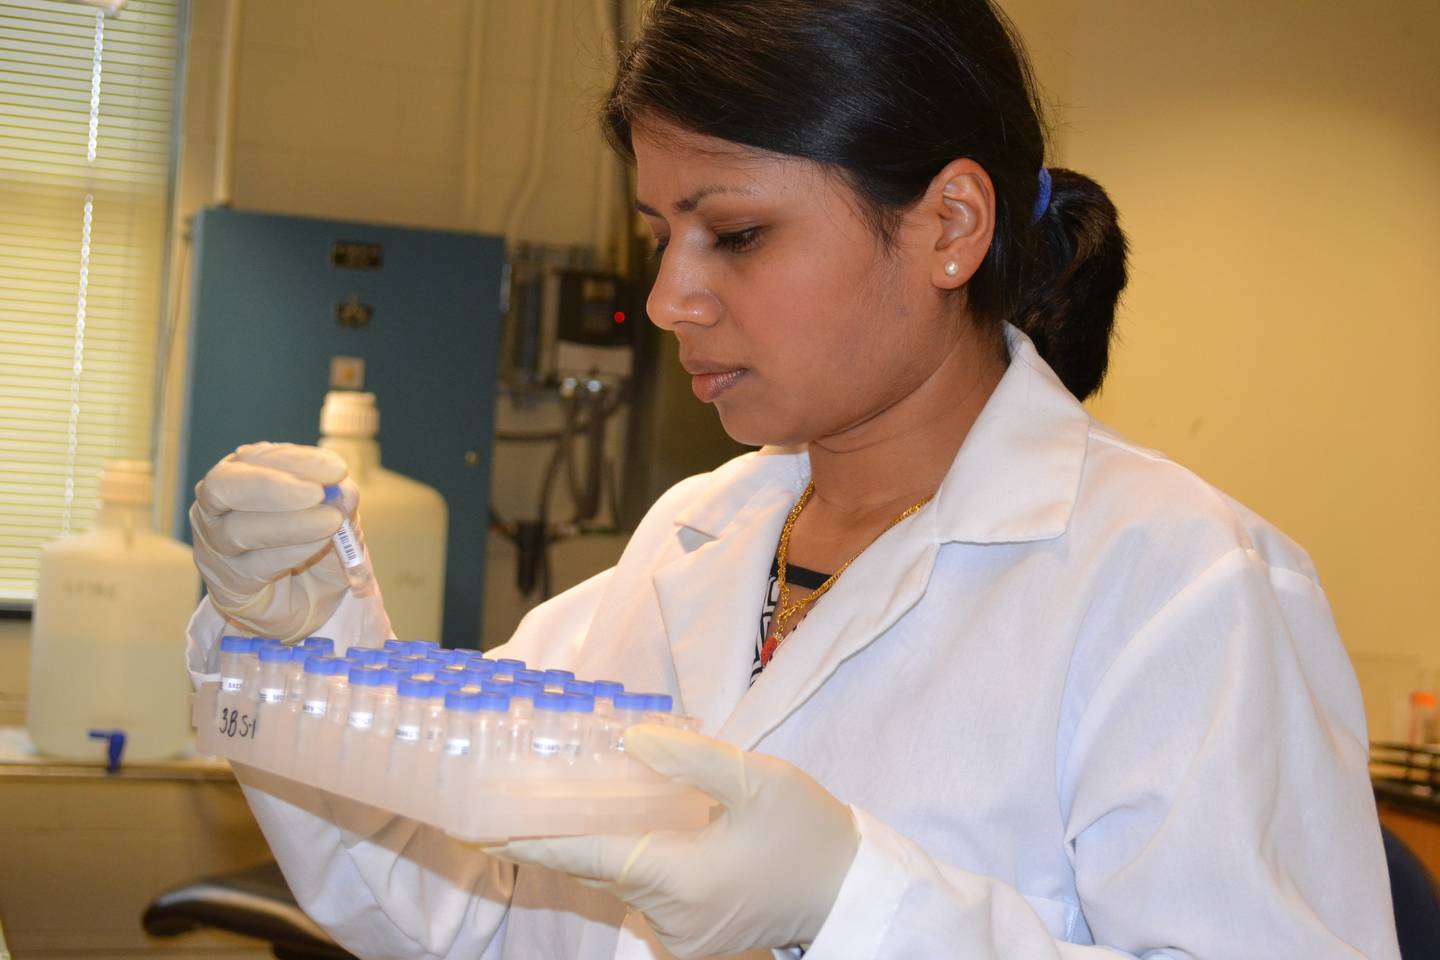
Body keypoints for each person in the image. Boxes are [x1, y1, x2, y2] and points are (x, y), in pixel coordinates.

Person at [184, 1, 1401, 957]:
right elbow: (467, 906)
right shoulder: (694, 540)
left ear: (948, 226)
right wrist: (299, 650)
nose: (670, 299)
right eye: (663, 236)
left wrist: (852, 908)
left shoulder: (1183, 587)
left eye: (739, 234)